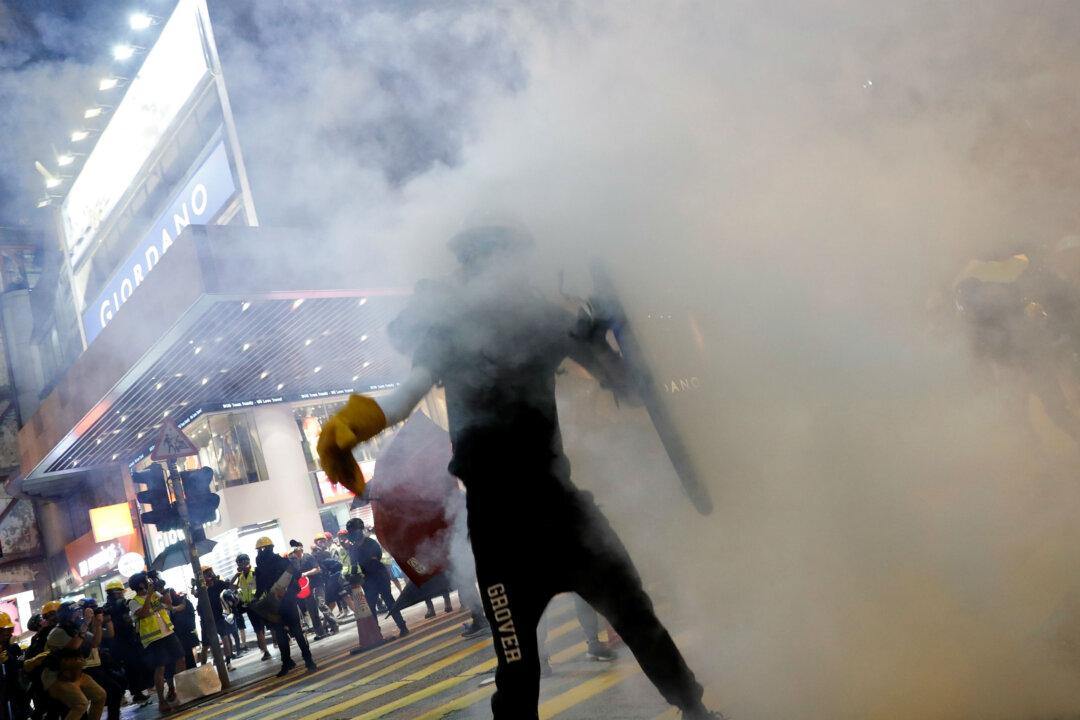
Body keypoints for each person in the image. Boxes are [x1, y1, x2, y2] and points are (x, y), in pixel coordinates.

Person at [316, 226, 720, 720]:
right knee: (534, 655)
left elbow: (627, 386)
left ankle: (696, 711)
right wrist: (351, 427)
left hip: (536, 513)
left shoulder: (536, 320)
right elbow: (403, 399)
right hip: (520, 520)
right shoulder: (484, 325)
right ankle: (695, 711)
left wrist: (608, 334)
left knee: (610, 626)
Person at [253, 537, 316, 676]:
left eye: (259, 550)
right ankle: (309, 661)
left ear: (261, 550)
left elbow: (259, 589)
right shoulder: (282, 561)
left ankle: (287, 663)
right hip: (288, 601)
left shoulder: (260, 567)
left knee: (281, 634)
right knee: (296, 631)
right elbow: (297, 574)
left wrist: (255, 601)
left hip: (275, 603)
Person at [127, 572, 186, 714]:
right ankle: (162, 701)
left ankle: (176, 690)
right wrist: (150, 594)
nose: (149, 581)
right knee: (160, 669)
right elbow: (144, 613)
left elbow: (168, 603)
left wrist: (163, 589)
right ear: (141, 584)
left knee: (180, 659)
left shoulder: (155, 594)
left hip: (168, 632)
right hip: (153, 639)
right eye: (146, 580)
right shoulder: (133, 602)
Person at [344, 519, 408, 638]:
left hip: (379, 575)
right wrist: (351, 576)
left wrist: (363, 565)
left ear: (360, 530)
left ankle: (402, 626)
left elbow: (375, 558)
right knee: (371, 606)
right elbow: (353, 564)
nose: (352, 533)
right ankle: (376, 633)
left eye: (354, 530)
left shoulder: (370, 543)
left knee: (389, 601)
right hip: (367, 578)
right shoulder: (353, 548)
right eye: (351, 531)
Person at [42, 602, 107, 720]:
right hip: (57, 677)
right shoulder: (57, 631)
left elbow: (95, 643)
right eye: (75, 613)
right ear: (66, 616)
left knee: (100, 695)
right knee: (81, 704)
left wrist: (98, 624)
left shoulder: (76, 628)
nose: (78, 615)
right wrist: (86, 622)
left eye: (78, 612)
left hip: (75, 673)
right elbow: (74, 645)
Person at [103, 580, 151, 707]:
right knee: (130, 668)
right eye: (120, 592)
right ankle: (134, 693)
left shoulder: (111, 606)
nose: (122, 594)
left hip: (126, 641)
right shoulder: (113, 606)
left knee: (132, 668)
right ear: (114, 593)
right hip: (122, 642)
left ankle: (136, 693)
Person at [231, 553, 272, 661]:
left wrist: (257, 598)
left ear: (247, 561)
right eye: (238, 563)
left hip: (261, 604)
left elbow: (262, 586)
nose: (240, 564)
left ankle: (282, 642)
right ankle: (265, 651)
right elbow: (231, 587)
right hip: (250, 607)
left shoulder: (255, 572)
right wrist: (236, 574)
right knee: (258, 629)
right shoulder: (240, 576)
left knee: (270, 625)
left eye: (241, 562)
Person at [197, 567, 235, 668]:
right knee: (206, 644)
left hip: (217, 616)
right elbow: (196, 594)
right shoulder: (201, 586)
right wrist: (203, 584)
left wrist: (236, 575)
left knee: (225, 637)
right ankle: (203, 667)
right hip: (205, 619)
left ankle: (228, 662)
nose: (208, 575)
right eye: (206, 574)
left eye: (209, 573)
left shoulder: (217, 583)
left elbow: (229, 585)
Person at [291, 542, 328, 639]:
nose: (296, 553)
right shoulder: (295, 562)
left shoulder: (308, 557)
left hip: (316, 584)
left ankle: (333, 624)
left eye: (297, 551)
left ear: (301, 550)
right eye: (295, 551)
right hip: (306, 589)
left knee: (321, 605)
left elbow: (317, 569)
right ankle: (320, 632)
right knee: (312, 611)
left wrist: (306, 573)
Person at [0, 611, 26, 720]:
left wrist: (9, 659)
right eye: (4, 631)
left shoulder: (13, 648)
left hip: (14, 692)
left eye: (9, 630)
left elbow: (20, 665)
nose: (8, 634)